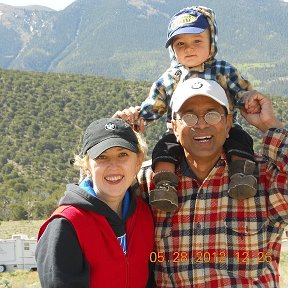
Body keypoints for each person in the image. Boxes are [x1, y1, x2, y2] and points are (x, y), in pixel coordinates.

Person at [137, 77, 288, 287]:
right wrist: (123, 138)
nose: (201, 124)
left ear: (228, 124)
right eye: (188, 116)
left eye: (212, 114)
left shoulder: (262, 177)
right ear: (173, 127)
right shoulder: (148, 182)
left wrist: (271, 126)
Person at [114, 5, 258, 212]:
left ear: (212, 42)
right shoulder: (171, 78)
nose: (189, 49)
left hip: (224, 129)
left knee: (241, 141)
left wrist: (249, 99)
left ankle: (241, 175)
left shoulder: (224, 70)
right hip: (179, 132)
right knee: (164, 150)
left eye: (197, 41)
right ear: (173, 49)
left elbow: (241, 91)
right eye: (181, 44)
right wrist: (137, 117)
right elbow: (154, 104)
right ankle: (164, 185)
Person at [35, 118, 154, 288]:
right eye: (102, 157)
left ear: (138, 161)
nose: (113, 165)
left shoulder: (143, 215)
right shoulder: (66, 224)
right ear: (87, 165)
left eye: (123, 155)